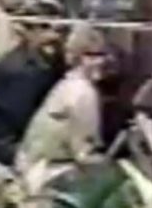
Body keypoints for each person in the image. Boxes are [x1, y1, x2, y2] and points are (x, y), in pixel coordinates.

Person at [16, 24, 114, 168]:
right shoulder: (83, 92)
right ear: (77, 57)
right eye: (90, 56)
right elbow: (84, 155)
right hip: (48, 175)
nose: (99, 61)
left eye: (101, 55)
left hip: (32, 168)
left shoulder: (66, 84)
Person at [0, 6, 65, 164]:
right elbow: (23, 121)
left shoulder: (47, 60)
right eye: (44, 28)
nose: (54, 35)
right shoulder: (19, 71)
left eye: (59, 30)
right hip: (7, 149)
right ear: (25, 32)